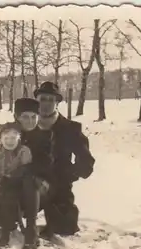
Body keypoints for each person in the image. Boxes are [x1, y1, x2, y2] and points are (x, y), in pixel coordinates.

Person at [0, 98, 53, 249]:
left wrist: (17, 173)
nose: (30, 121)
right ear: (17, 117)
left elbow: (44, 164)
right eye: (25, 117)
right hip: (10, 184)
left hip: (38, 187)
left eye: (33, 117)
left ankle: (31, 229)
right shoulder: (10, 133)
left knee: (30, 179)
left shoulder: (44, 136)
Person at [33, 81, 96, 238]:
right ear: (37, 102)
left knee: (65, 229)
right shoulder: (28, 126)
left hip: (59, 186)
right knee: (7, 216)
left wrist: (69, 174)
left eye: (51, 99)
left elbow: (86, 162)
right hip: (32, 184)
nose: (46, 104)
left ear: (57, 102)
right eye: (42, 99)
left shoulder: (70, 128)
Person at [0, 122, 33, 249]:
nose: (10, 141)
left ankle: (4, 236)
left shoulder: (23, 152)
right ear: (0, 140)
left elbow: (25, 170)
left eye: (13, 138)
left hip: (16, 187)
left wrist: (11, 179)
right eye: (6, 138)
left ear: (19, 139)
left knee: (8, 201)